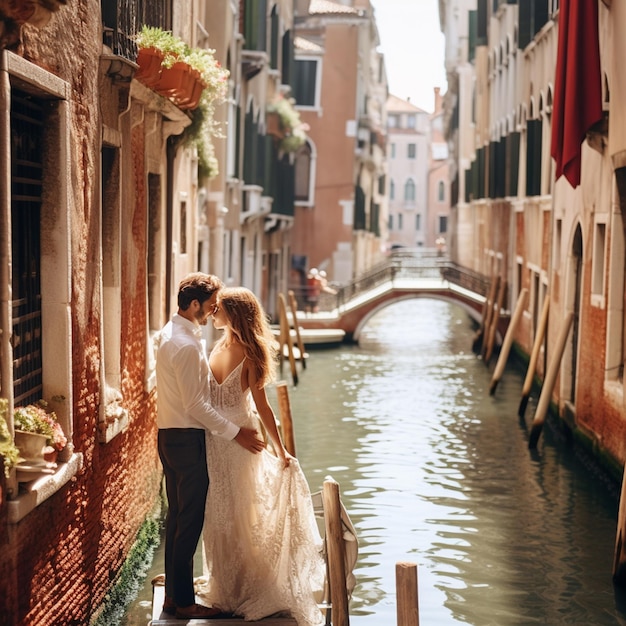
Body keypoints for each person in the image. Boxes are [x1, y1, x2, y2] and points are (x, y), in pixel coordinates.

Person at [196, 287, 325, 625]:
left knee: (227, 510)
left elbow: (255, 404)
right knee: (238, 510)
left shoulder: (218, 350)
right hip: (238, 435)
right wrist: (281, 450)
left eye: (218, 309)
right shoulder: (246, 351)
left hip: (221, 437)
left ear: (233, 314)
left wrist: (280, 450)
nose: (212, 314)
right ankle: (234, 584)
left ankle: (227, 585)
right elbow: (263, 407)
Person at [154, 273, 266, 620]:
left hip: (169, 436)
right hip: (187, 440)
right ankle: (185, 603)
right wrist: (237, 433)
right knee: (188, 522)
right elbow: (196, 406)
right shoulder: (186, 345)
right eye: (211, 304)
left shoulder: (171, 334)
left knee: (176, 518)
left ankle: (174, 596)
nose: (214, 309)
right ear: (193, 305)